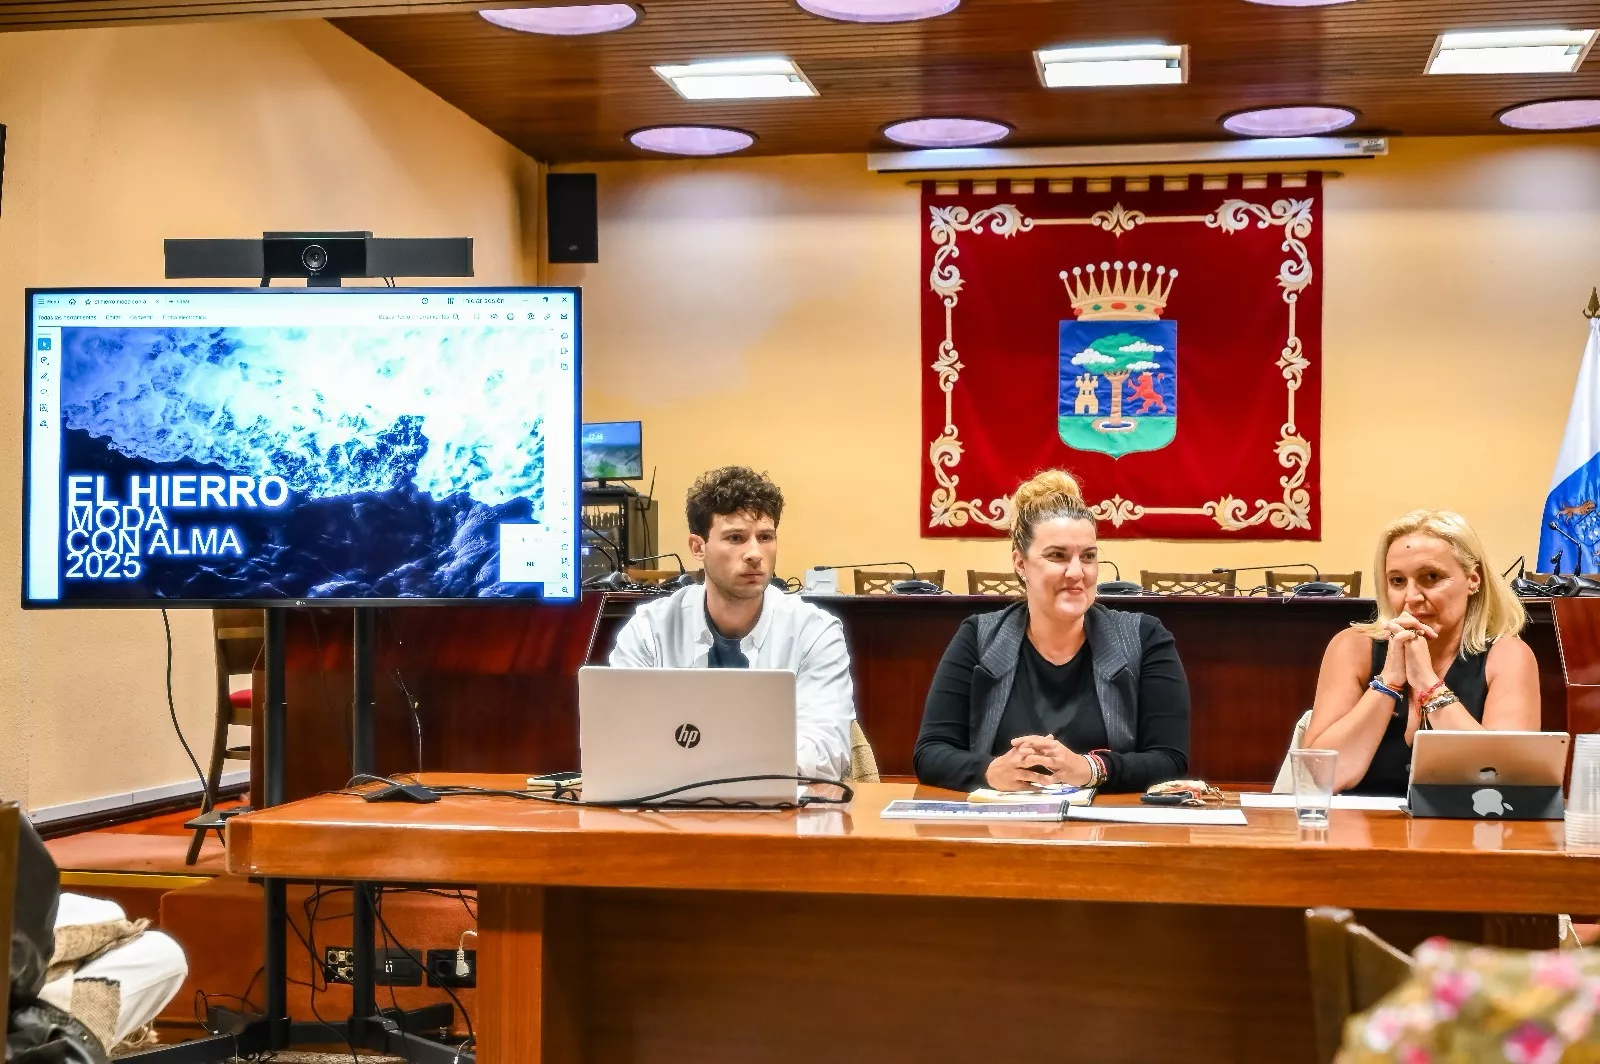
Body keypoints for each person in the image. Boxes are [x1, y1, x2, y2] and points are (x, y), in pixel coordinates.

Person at [913, 470, 1190, 793]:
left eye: (1088, 556)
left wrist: (1091, 768)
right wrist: (990, 771)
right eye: (1057, 556)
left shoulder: (1145, 637)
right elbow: (930, 753)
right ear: (1020, 563)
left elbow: (1170, 759)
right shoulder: (978, 638)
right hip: (1003, 821)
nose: (1076, 572)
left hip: (1106, 822)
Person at [609, 465, 854, 780]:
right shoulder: (649, 630)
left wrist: (715, 765)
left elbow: (827, 749)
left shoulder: (815, 632)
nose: (754, 553)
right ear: (698, 547)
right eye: (735, 538)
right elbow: (618, 736)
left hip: (777, 802)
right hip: (668, 799)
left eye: (765, 537)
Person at [1304, 509, 1539, 795]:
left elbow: (1506, 780)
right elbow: (1323, 777)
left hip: (1462, 823)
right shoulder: (1352, 648)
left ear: (1473, 580)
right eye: (1397, 581)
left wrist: (1428, 685)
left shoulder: (1508, 656)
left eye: (1431, 576)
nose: (1411, 597)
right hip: (1359, 823)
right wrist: (1389, 681)